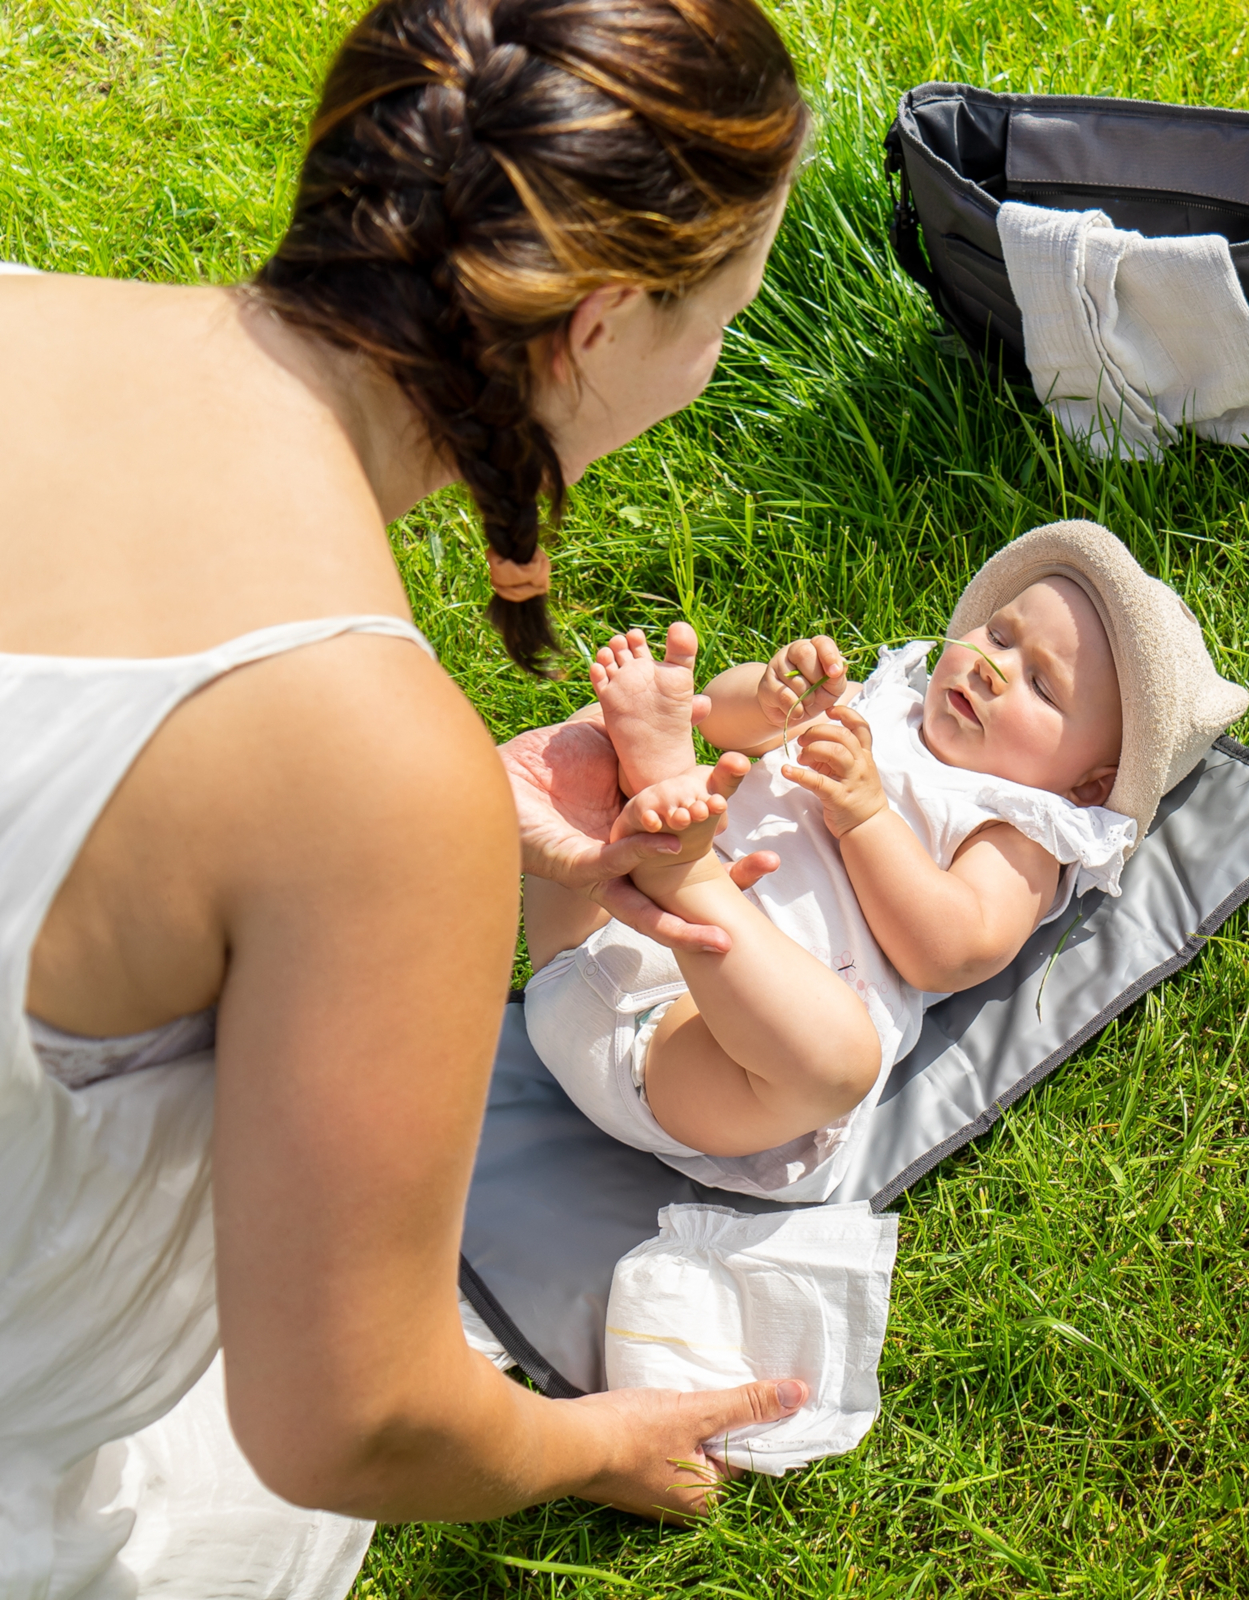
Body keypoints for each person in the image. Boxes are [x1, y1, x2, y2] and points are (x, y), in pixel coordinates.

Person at [0, 0, 812, 1592]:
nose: (714, 363)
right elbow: (350, 1421)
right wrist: (598, 1435)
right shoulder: (366, 762)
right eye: (725, 314)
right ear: (597, 325)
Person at [518, 521, 1249, 1201]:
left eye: (1040, 685)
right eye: (999, 635)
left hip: (696, 1056)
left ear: (1090, 783)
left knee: (840, 1058)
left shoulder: (1022, 827)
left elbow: (953, 950)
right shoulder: (879, 704)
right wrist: (771, 701)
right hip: (595, 929)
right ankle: (620, 801)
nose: (994, 668)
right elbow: (725, 725)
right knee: (591, 748)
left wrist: (868, 817)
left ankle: (678, 860)